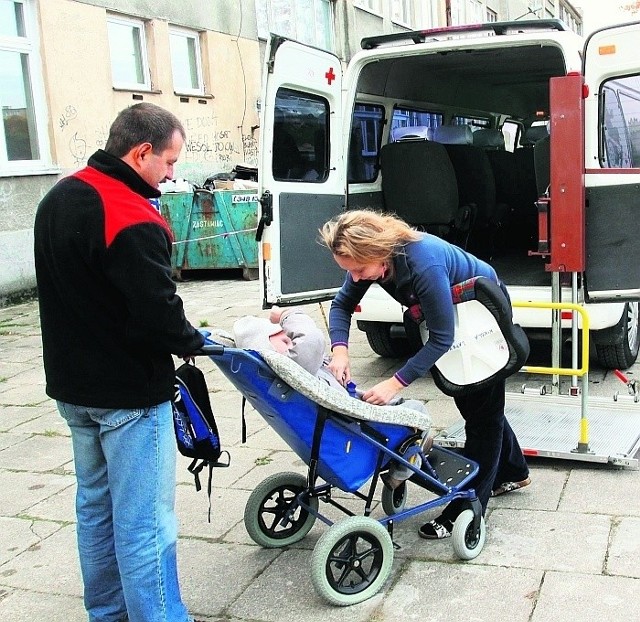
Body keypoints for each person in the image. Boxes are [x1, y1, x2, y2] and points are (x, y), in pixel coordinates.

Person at [34, 103, 205, 622]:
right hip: (128, 393)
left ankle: (107, 614)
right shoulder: (129, 213)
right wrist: (195, 340)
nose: (172, 174)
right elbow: (159, 317)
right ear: (141, 152)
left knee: (95, 510)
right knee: (145, 522)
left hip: (73, 388)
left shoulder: (59, 196)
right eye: (170, 162)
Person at [319, 209, 530, 540]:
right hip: (454, 314)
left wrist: (394, 383)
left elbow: (442, 338)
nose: (356, 278)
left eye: (359, 270)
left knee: (481, 416)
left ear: (377, 250)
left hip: (481, 314)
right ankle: (514, 471)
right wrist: (340, 349)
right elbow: (342, 304)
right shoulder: (370, 261)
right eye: (350, 271)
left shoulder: (423, 262)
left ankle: (468, 509)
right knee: (480, 406)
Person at [231, 306, 430, 487]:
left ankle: (407, 454)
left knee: (396, 404)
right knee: (415, 410)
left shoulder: (285, 374)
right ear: (271, 352)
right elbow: (312, 342)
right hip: (355, 424)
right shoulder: (291, 365)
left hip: (340, 413)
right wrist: (288, 315)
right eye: (285, 340)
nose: (291, 340)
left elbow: (315, 356)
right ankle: (401, 471)